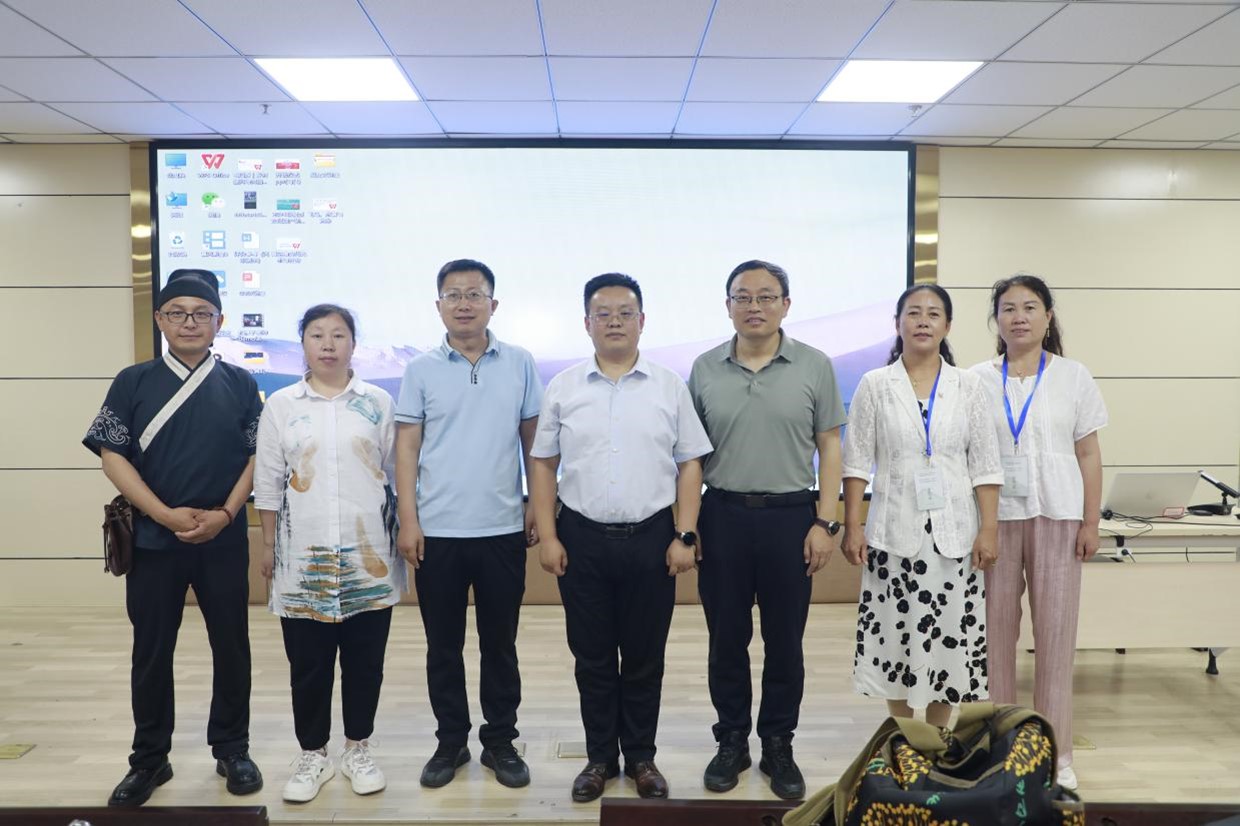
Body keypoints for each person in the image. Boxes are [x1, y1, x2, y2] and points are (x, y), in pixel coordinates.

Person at [83, 268, 264, 807]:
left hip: (222, 538)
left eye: (201, 313)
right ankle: (149, 759)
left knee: (231, 645)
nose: (190, 322)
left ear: (219, 322)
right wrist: (163, 514)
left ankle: (232, 748)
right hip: (153, 540)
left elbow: (258, 456)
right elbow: (112, 455)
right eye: (178, 312)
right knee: (151, 650)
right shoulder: (133, 380)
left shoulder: (240, 383)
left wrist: (227, 514)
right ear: (160, 319)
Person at [529, 273, 711, 803]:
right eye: (603, 313)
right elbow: (543, 464)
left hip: (652, 538)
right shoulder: (564, 386)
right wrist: (547, 535)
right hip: (580, 538)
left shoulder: (668, 386)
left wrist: (685, 534)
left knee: (645, 657)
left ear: (642, 321)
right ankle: (599, 759)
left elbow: (690, 463)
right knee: (592, 658)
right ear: (586, 323)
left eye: (624, 313)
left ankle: (641, 758)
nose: (614, 322)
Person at [688, 260, 845, 800]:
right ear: (727, 305)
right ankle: (731, 740)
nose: (754, 306)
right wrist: (688, 525)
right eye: (743, 296)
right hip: (722, 516)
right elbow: (690, 456)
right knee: (725, 639)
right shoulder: (705, 368)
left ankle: (779, 743)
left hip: (790, 519)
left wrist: (826, 521)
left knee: (785, 642)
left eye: (766, 296)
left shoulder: (814, 365)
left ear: (786, 304)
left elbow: (830, 446)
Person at [395, 259, 543, 789]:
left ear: (492, 305)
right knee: (443, 646)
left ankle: (500, 741)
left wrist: (535, 503)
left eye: (474, 294)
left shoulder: (519, 362)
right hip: (437, 531)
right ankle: (451, 741)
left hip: (502, 528)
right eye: (453, 295)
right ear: (438, 306)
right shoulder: (421, 370)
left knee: (500, 644)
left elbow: (533, 440)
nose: (464, 303)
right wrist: (408, 519)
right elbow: (406, 448)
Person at [254, 304, 405, 802]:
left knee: (366, 663)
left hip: (369, 558)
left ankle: (358, 748)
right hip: (302, 558)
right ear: (302, 344)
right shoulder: (281, 405)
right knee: (308, 665)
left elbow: (397, 476)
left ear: (353, 344)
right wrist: (267, 546)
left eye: (338, 335)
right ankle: (313, 754)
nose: (327, 344)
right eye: (316, 335)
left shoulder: (378, 402)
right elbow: (268, 482)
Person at [841, 284, 1003, 729]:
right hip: (893, 532)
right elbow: (856, 463)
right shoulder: (876, 385)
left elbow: (985, 465)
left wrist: (989, 529)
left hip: (955, 535)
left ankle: (935, 737)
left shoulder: (967, 386)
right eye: (914, 313)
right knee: (895, 636)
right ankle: (905, 734)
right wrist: (852, 525)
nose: (923, 321)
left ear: (947, 325)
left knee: (949, 636)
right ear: (897, 324)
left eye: (934, 314)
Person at [970, 274, 1106, 792]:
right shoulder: (976, 379)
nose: (1019, 317)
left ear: (1048, 317)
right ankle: (998, 746)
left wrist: (1090, 521)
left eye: (1030, 307)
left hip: (1058, 514)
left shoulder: (1073, 376)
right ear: (996, 320)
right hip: (993, 520)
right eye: (1008, 308)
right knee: (994, 637)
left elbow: (1088, 453)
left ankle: (1056, 752)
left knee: (1055, 638)